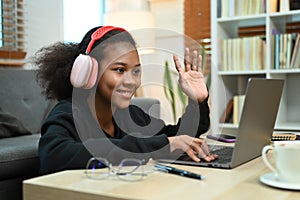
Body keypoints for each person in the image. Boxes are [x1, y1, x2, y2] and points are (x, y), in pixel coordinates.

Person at [33, 25, 218, 175]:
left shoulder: (130, 115)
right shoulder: (67, 113)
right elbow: (53, 156)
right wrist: (161, 145)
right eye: (120, 70)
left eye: (136, 71)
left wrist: (197, 102)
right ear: (88, 72)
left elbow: (179, 137)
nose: (131, 82)